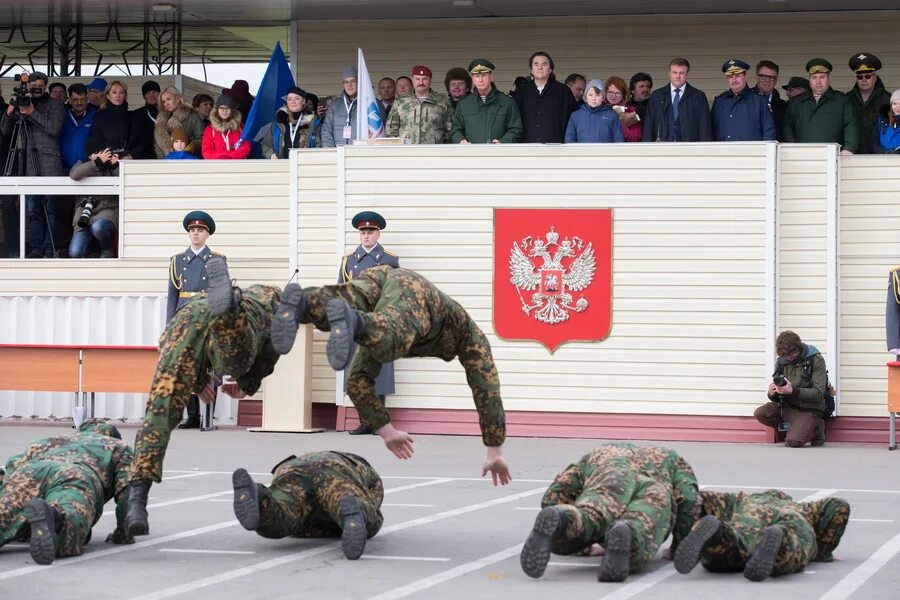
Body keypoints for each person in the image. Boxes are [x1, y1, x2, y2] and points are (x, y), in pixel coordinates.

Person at [269, 265, 511, 485]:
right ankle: (357, 323)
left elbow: (357, 383)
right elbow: (487, 390)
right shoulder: (472, 338)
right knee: (394, 336)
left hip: (381, 277)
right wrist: (494, 449)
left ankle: (300, 303)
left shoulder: (386, 316)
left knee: (349, 298)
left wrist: (386, 430)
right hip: (417, 292)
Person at [126, 257, 283, 536]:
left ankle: (137, 500)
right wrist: (248, 383)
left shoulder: (264, 299)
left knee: (158, 416)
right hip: (237, 319)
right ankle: (229, 314)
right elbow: (272, 349)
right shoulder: (272, 301)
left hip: (183, 322)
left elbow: (169, 343)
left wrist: (197, 382)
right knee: (235, 359)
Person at [519, 443, 699, 582]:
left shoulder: (601, 452)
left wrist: (583, 547)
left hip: (609, 475)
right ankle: (627, 530)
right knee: (642, 524)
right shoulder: (671, 458)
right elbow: (689, 499)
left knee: (590, 514)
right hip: (653, 485)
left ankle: (563, 519)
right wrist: (678, 545)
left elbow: (557, 491)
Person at [0, 419, 133, 565]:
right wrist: (124, 532)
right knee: (70, 515)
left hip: (31, 470)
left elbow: (13, 465)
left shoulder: (50, 440)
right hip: (75, 473)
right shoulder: (119, 446)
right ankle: (55, 518)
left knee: (6, 511)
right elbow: (127, 489)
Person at [232, 451, 384, 560]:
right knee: (368, 520)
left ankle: (261, 499)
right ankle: (355, 509)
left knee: (285, 512)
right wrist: (364, 507)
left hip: (292, 468)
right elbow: (373, 502)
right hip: (332, 468)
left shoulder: (309, 525)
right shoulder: (371, 479)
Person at [674, 489, 850, 581]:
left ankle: (718, 534)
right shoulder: (803, 508)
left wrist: (681, 535)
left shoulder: (747, 499)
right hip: (792, 519)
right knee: (794, 545)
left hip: (752, 516)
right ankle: (782, 539)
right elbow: (837, 505)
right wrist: (824, 551)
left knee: (734, 545)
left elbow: (702, 499)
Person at [338, 211, 400, 435]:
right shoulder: (349, 261)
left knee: (380, 372)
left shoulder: (389, 260)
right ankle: (364, 421)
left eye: (371, 232)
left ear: (378, 234)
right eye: (363, 232)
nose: (366, 236)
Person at [167, 210, 225, 429]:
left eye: (200, 230)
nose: (195, 234)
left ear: (207, 234)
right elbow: (172, 295)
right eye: (192, 230)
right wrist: (169, 324)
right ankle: (192, 415)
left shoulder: (217, 260)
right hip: (184, 319)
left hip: (208, 318)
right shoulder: (178, 261)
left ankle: (208, 416)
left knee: (210, 367)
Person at [0, 71, 66, 259]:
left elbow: (53, 129)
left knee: (51, 210)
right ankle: (37, 249)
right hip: (25, 163)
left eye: (39, 84)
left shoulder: (55, 105)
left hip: (48, 163)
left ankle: (50, 248)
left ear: (45, 85)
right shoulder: (21, 103)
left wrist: (32, 113)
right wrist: (10, 110)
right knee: (33, 210)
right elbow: (5, 130)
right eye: (32, 85)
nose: (35, 88)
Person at [753, 330, 828, 447]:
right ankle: (795, 429)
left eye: (792, 353)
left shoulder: (815, 359)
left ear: (798, 347)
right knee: (760, 413)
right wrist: (772, 393)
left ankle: (816, 428)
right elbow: (779, 393)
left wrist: (793, 391)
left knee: (793, 441)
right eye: (786, 355)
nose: (790, 357)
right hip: (787, 407)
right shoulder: (782, 362)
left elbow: (818, 394)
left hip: (808, 409)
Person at [783, 59, 859, 155]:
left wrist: (849, 148)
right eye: (814, 77)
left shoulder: (842, 100)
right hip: (802, 156)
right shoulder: (796, 103)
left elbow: (851, 124)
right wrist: (792, 147)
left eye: (822, 77)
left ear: (828, 79)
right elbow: (787, 126)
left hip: (833, 156)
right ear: (809, 80)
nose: (818, 81)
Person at [450, 58, 523, 144]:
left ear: (491, 77)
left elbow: (515, 129)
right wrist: (461, 140)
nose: (480, 80)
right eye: (477, 76)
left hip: (498, 154)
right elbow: (456, 129)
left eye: (484, 75)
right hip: (472, 154)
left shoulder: (507, 102)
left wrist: (503, 142)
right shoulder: (464, 104)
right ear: (473, 79)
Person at [643, 58, 711, 143]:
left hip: (690, 150)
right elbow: (649, 126)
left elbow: (705, 128)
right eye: (674, 72)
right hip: (662, 149)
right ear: (669, 74)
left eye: (681, 73)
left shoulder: (699, 97)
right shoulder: (657, 96)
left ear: (687, 75)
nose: (678, 76)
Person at [515, 51, 577, 143]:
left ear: (550, 69)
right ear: (531, 70)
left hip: (556, 147)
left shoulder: (563, 91)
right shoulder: (521, 93)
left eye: (544, 64)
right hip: (527, 148)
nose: (540, 67)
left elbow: (573, 121)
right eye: (536, 64)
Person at [68, 148, 119, 258]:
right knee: (75, 253)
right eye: (96, 153)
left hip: (106, 212)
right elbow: (74, 175)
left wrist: (116, 165)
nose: (100, 155)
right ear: (89, 156)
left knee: (98, 228)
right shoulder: (83, 165)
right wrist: (97, 163)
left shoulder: (112, 166)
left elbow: (125, 178)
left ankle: (107, 248)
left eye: (102, 152)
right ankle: (92, 254)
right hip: (84, 216)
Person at [386, 64, 453, 144]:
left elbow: (449, 128)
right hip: (407, 151)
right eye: (417, 79)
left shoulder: (442, 101)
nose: (421, 82)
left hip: (434, 151)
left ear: (430, 80)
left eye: (424, 79)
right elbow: (391, 129)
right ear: (413, 80)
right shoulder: (401, 101)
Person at [711, 59, 775, 142]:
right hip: (724, 153)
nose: (734, 80)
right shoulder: (719, 102)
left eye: (737, 75)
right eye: (730, 77)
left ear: (745, 77)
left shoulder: (759, 101)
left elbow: (768, 132)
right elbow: (711, 130)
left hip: (751, 153)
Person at [847, 52, 890, 154]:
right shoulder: (847, 99)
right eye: (860, 77)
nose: (864, 80)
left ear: (875, 78)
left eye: (868, 76)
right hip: (852, 155)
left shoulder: (888, 100)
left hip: (881, 155)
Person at [261, 87, 316, 158]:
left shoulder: (313, 122)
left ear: (304, 101)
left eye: (297, 98)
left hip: (304, 165)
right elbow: (266, 144)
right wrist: (271, 154)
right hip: (282, 165)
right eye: (289, 99)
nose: (293, 102)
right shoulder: (278, 122)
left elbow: (319, 145)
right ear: (286, 102)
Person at [85, 80, 134, 159]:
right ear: (108, 95)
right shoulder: (99, 116)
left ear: (125, 95)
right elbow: (95, 140)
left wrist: (128, 156)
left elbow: (137, 142)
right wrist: (98, 155)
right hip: (106, 161)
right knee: (78, 171)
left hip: (126, 161)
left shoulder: (133, 117)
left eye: (121, 93)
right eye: (114, 92)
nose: (118, 95)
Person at [564, 79, 624, 143]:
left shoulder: (612, 115)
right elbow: (569, 140)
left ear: (603, 97)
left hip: (605, 153)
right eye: (590, 95)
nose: (594, 98)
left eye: (598, 95)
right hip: (582, 153)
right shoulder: (576, 116)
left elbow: (618, 140)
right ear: (585, 97)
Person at [153, 86, 205, 158]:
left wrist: (189, 147)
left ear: (178, 99)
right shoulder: (161, 120)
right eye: (164, 101)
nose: (166, 103)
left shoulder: (192, 116)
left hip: (188, 161)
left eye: (169, 99)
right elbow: (158, 144)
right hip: (166, 163)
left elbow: (203, 139)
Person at [200, 94, 251, 160]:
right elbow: (206, 152)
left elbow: (247, 146)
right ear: (217, 110)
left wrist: (230, 157)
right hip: (217, 167)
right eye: (221, 108)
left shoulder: (240, 127)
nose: (224, 111)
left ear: (232, 110)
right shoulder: (210, 129)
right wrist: (223, 157)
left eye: (227, 108)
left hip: (237, 166)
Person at [59, 83, 96, 172]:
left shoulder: (95, 115)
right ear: (70, 100)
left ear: (87, 99)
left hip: (87, 169)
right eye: (75, 99)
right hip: (62, 168)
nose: (79, 103)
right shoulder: (61, 114)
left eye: (82, 99)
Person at [321, 65, 359, 148]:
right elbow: (326, 130)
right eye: (346, 82)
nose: (349, 85)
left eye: (352, 81)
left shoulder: (369, 104)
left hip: (360, 155)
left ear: (359, 82)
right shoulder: (335, 105)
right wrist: (331, 153)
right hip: (338, 155)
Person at [751, 60, 788, 141]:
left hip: (774, 151)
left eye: (771, 78)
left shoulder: (784, 107)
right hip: (750, 150)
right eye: (763, 76)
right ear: (756, 78)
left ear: (776, 80)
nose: (767, 80)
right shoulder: (745, 101)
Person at [129, 80, 161, 159]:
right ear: (144, 96)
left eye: (154, 91)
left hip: (166, 157)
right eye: (148, 93)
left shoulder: (168, 112)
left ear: (160, 94)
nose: (151, 95)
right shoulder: (137, 114)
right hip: (144, 158)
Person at [605, 76, 642, 142]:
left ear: (623, 95)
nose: (613, 95)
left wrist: (619, 126)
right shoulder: (599, 108)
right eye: (610, 92)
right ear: (605, 92)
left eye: (618, 93)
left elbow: (636, 137)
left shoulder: (630, 111)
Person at [873, 89, 900, 154]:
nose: (897, 107)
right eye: (894, 104)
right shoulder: (882, 120)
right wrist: (884, 152)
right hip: (883, 160)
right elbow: (873, 141)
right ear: (891, 105)